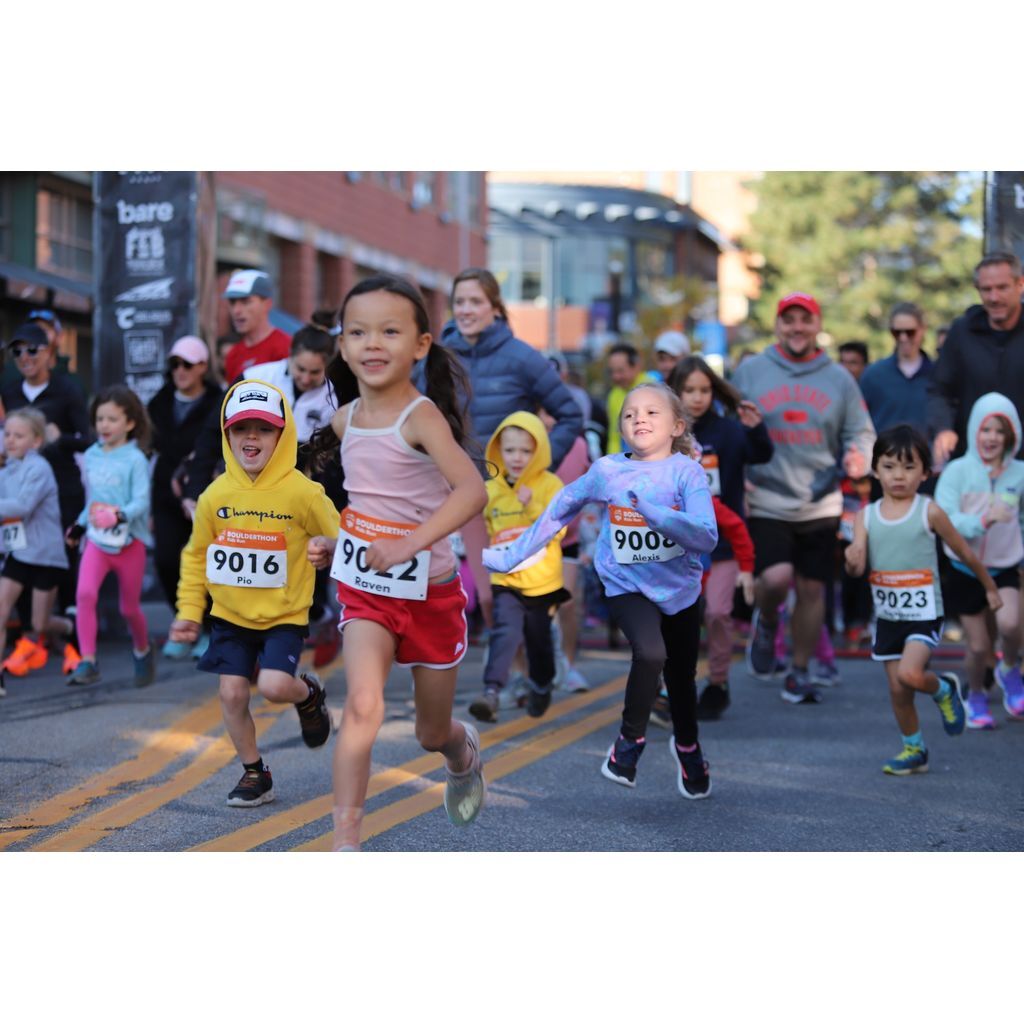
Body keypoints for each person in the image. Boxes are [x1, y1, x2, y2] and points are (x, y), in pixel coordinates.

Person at [306, 274, 488, 851]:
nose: (372, 343)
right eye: (358, 332)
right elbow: (357, 503)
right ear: (342, 345)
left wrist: (407, 545)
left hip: (431, 593)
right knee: (362, 705)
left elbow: (470, 492)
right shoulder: (344, 421)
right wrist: (335, 542)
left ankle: (461, 753)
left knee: (429, 731)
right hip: (368, 592)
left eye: (390, 330)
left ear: (421, 344)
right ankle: (346, 844)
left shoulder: (421, 417)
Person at [484, 382, 718, 797]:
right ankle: (629, 742)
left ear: (677, 425)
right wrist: (511, 556)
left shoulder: (688, 472)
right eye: (630, 414)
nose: (639, 419)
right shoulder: (608, 470)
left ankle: (688, 746)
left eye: (651, 413)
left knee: (681, 677)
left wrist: (656, 514)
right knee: (650, 652)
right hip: (626, 582)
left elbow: (705, 536)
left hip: (680, 589)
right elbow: (559, 510)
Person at [169, 379, 338, 807]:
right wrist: (189, 612)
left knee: (276, 685)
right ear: (226, 434)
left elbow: (341, 539)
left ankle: (309, 695)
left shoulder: (304, 492)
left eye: (263, 429)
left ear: (282, 435)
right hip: (229, 614)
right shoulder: (214, 496)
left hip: (283, 614)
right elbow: (195, 555)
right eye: (241, 427)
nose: (251, 437)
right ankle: (254, 772)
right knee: (231, 692)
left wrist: (328, 550)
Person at [731, 292, 875, 704]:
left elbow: (861, 431)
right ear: (777, 325)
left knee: (814, 591)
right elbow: (730, 429)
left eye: (804, 320)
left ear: (817, 325)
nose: (797, 327)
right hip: (766, 496)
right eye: (788, 319)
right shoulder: (752, 371)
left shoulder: (838, 379)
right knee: (774, 580)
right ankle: (768, 619)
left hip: (820, 499)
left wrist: (858, 456)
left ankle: (798, 671)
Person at [428, 267, 582, 632]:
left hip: (511, 500)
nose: (466, 310)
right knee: (481, 596)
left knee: (515, 598)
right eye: (459, 302)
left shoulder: (522, 357)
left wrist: (533, 469)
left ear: (495, 307)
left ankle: (522, 679)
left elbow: (570, 416)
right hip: (460, 496)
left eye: (475, 302)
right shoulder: (438, 359)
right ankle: (504, 680)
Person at [846, 425, 994, 774]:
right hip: (887, 616)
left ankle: (944, 688)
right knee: (898, 690)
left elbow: (964, 553)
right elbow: (856, 564)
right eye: (890, 466)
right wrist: (853, 559)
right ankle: (914, 749)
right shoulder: (865, 517)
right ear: (875, 469)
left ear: (925, 473)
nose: (899, 475)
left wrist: (989, 587)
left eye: (909, 467)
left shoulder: (929, 511)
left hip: (925, 614)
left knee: (912, 675)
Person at [668, 355, 773, 718]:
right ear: (675, 393)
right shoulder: (666, 432)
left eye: (705, 390)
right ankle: (673, 687)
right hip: (677, 542)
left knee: (717, 612)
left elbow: (761, 453)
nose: (698, 397)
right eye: (689, 390)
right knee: (678, 617)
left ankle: (718, 682)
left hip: (723, 540)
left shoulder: (728, 431)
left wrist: (756, 428)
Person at [468, 412, 569, 722]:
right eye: (510, 450)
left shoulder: (550, 484)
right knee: (505, 631)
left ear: (539, 452)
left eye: (526, 451)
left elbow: (561, 529)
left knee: (538, 637)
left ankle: (541, 685)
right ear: (498, 451)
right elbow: (486, 526)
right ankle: (491, 691)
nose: (517, 458)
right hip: (506, 579)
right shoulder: (492, 489)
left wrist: (533, 507)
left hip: (542, 582)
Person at [935, 393, 1024, 728]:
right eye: (986, 429)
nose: (991, 438)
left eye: (1000, 431)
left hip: (1004, 565)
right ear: (974, 431)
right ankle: (975, 695)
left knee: (1012, 625)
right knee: (978, 645)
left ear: (1011, 435)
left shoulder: (1020, 473)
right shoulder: (958, 471)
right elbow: (944, 520)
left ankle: (1009, 668)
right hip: (965, 567)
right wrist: (983, 520)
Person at [65, 386, 155, 688]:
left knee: (128, 608)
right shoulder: (90, 455)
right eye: (100, 418)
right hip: (97, 541)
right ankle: (88, 660)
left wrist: (118, 516)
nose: (104, 425)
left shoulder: (135, 460)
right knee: (85, 595)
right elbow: (93, 500)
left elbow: (142, 502)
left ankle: (142, 650)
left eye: (112, 419)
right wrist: (79, 526)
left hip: (130, 543)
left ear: (129, 423)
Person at [1, 322, 91, 616]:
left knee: (63, 555)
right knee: (20, 553)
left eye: (31, 350)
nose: (24, 357)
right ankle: (30, 633)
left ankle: (71, 630)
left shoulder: (66, 389)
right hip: (22, 485)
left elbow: (89, 439)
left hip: (61, 486)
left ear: (48, 352)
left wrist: (60, 438)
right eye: (17, 351)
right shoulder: (10, 391)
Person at [147, 336, 224, 658]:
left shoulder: (218, 401)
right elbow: (150, 451)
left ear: (203, 367)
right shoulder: (159, 402)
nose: (180, 371)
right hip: (165, 492)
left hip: (204, 494)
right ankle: (185, 623)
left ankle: (207, 627)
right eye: (175, 364)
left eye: (187, 364)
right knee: (166, 560)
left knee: (204, 562)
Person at [0, 409, 76, 693]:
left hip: (44, 555)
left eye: (18, 435)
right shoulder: (6, 471)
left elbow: (22, 507)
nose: (10, 440)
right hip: (18, 553)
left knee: (38, 623)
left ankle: (70, 627)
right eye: (7, 434)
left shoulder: (39, 468)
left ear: (36, 441)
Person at [929, 252, 1024, 469]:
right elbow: (939, 389)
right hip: (973, 463)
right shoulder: (962, 332)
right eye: (986, 289)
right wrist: (943, 428)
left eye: (1002, 287)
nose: (994, 297)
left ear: (1020, 285)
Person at [860, 303, 933, 437]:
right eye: (897, 332)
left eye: (910, 332)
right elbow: (859, 423)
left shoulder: (938, 374)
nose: (903, 338)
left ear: (922, 330)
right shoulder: (873, 375)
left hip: (927, 455)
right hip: (884, 454)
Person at [221, 269, 292, 384]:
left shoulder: (286, 347)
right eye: (232, 302)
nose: (236, 310)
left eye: (245, 301)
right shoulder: (233, 354)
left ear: (267, 304)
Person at [605, 343, 655, 454]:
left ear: (636, 366)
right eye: (612, 372)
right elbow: (614, 436)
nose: (615, 376)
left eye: (620, 371)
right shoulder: (614, 395)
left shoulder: (653, 390)